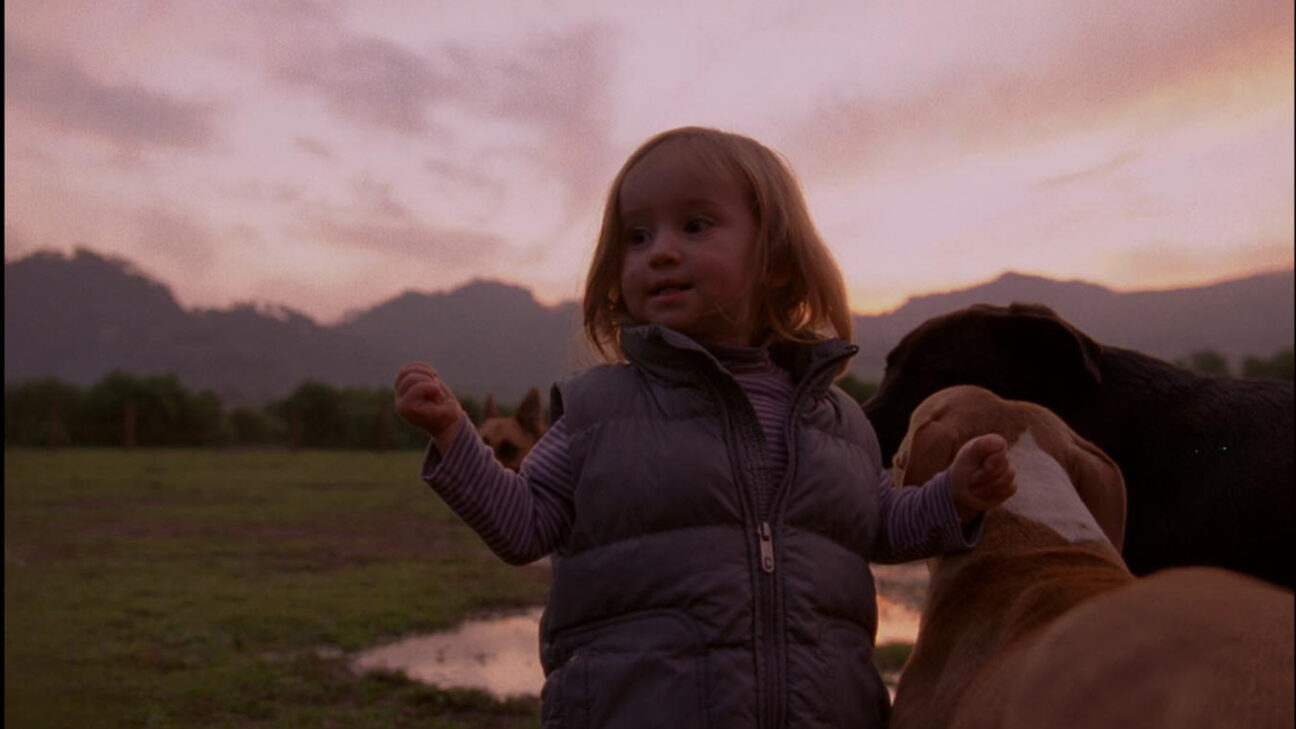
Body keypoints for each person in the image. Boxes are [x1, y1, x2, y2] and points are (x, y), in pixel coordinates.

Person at [394, 126, 1016, 728]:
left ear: (778, 261)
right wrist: (454, 437)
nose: (660, 251)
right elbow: (521, 524)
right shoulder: (598, 411)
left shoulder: (839, 421)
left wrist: (954, 497)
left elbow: (881, 526)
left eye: (694, 226)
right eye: (637, 237)